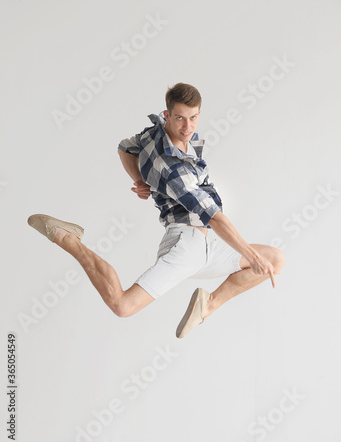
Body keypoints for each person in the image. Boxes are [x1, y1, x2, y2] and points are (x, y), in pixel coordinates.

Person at [28, 82, 285, 338]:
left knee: (275, 259)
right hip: (186, 245)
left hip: (203, 248)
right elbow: (215, 218)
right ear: (167, 116)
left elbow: (125, 148)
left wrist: (140, 181)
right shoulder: (173, 169)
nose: (187, 127)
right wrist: (251, 256)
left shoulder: (156, 133)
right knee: (122, 305)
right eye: (180, 119)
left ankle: (208, 306)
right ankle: (68, 239)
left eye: (193, 118)